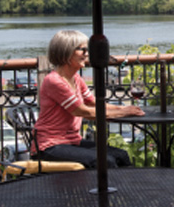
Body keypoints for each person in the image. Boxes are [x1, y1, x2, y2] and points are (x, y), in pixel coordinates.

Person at [36, 30, 143, 168]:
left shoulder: (75, 78)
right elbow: (85, 112)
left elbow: (93, 103)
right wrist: (126, 112)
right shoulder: (54, 81)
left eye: (88, 49)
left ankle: (128, 188)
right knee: (106, 161)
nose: (87, 54)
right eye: (83, 50)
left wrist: (122, 108)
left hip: (71, 141)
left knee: (121, 155)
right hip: (50, 146)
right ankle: (109, 188)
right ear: (66, 51)